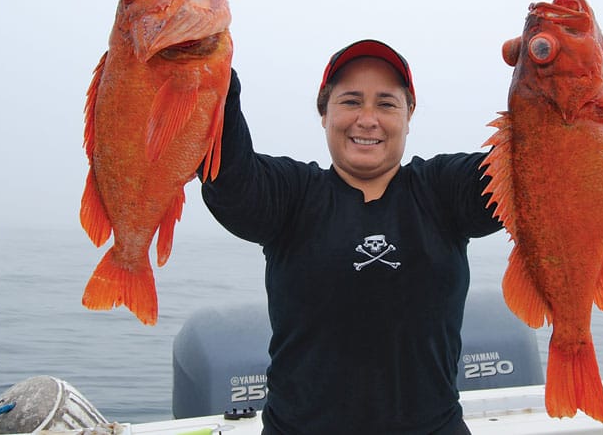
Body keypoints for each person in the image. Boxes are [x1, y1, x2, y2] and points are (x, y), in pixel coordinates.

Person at [201, 39, 503, 434]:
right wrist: (208, 65)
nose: (367, 118)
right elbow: (230, 179)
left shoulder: (443, 190)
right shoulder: (292, 195)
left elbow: (535, 169)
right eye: (350, 101)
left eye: (386, 103)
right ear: (323, 112)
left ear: (409, 114)